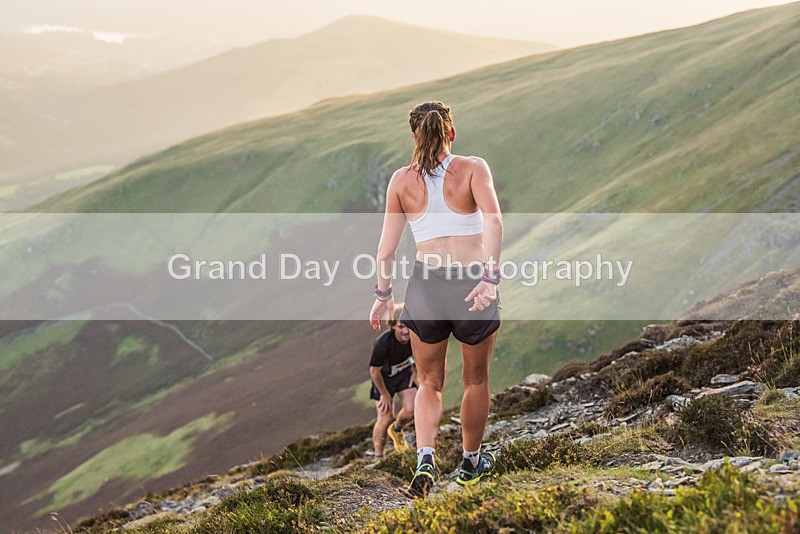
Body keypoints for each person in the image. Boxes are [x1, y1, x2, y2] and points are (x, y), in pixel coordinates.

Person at [369, 101, 503, 497]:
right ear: (452, 133)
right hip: (470, 285)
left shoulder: (400, 181)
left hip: (426, 286)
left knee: (428, 381)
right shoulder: (474, 168)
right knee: (475, 379)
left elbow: (386, 251)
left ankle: (425, 458)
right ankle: (470, 464)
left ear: (414, 136)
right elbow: (494, 220)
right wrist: (490, 279)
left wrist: (383, 296)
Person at [368, 306, 417, 458]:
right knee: (385, 417)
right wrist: (384, 394)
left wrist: (416, 372)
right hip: (383, 380)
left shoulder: (416, 337)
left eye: (408, 325)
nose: (406, 331)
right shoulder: (383, 343)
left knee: (412, 409)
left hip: (403, 375)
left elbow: (421, 356)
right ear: (393, 326)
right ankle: (379, 456)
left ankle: (396, 429)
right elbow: (374, 371)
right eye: (401, 326)